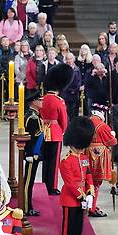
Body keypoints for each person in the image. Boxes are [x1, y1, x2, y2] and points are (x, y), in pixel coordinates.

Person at [60, 116, 95, 235]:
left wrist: (90, 193)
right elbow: (70, 184)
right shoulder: (65, 160)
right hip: (70, 200)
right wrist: (83, 197)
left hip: (82, 199)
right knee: (69, 231)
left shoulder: (84, 157)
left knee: (78, 231)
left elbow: (88, 175)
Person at [40, 63, 71, 195]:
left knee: (46, 161)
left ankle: (43, 183)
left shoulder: (42, 99)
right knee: (54, 162)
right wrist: (63, 131)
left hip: (43, 132)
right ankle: (51, 187)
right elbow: (63, 120)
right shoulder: (59, 101)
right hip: (55, 133)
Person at [87, 104, 117, 217]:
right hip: (99, 158)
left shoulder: (86, 123)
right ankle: (92, 207)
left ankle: (89, 204)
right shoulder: (102, 126)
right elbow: (112, 142)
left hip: (86, 155)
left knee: (88, 181)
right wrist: (113, 135)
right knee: (95, 183)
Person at [22, 89, 44, 216]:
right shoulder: (32, 117)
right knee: (28, 182)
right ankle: (26, 207)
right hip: (32, 154)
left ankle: (28, 206)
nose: (41, 102)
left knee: (30, 181)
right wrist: (29, 153)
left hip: (36, 154)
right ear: (33, 102)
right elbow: (28, 137)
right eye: (39, 100)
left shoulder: (36, 115)